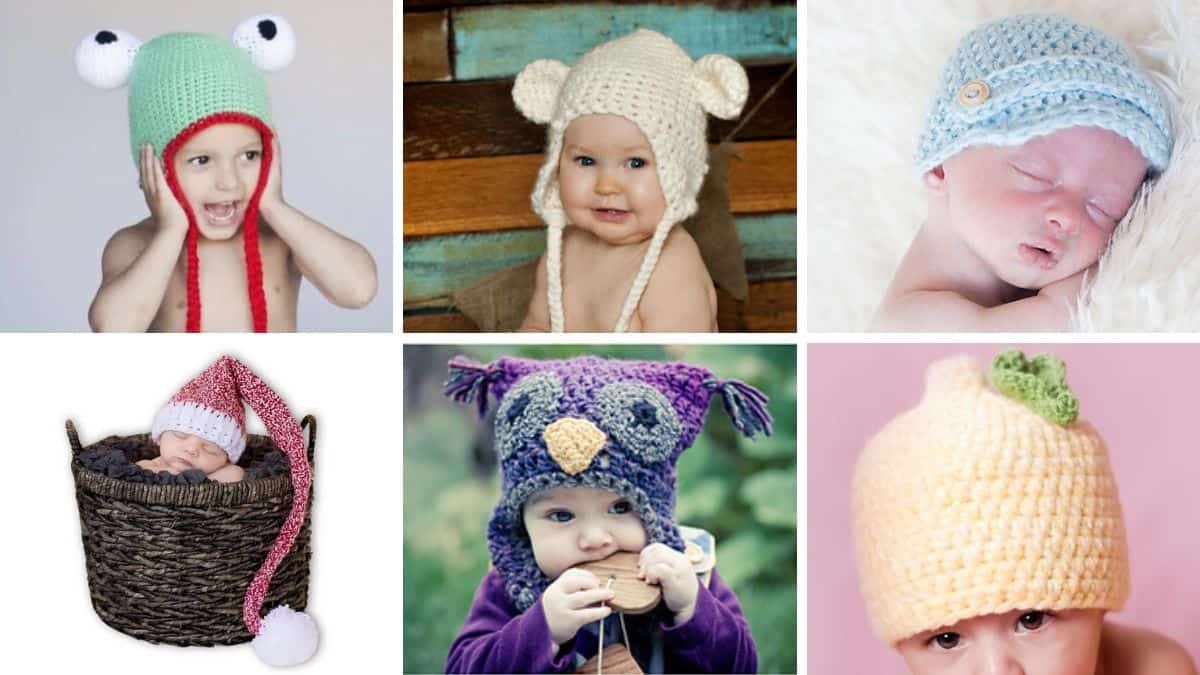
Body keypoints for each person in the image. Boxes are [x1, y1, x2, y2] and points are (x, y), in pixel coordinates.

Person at [852, 350, 1197, 674]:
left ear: (1100, 601)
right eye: (947, 639)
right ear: (901, 646)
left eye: (1032, 620)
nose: (996, 669)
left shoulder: (1155, 666)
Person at [442, 355, 771, 672]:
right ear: (521, 524)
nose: (595, 539)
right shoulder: (511, 584)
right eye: (561, 515)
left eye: (620, 507)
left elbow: (742, 666)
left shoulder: (689, 573)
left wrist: (690, 609)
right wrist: (543, 630)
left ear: (655, 512)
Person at [872, 13, 1173, 331]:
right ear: (941, 166)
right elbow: (1063, 314)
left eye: (1104, 208)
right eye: (1035, 175)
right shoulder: (907, 323)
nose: (1069, 218)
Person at [76, 14, 377, 332]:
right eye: (202, 160)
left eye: (249, 155)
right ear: (152, 168)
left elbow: (358, 290)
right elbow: (113, 328)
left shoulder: (279, 238)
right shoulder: (136, 244)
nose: (229, 181)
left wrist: (274, 206)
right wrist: (170, 231)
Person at [514, 29, 749, 332]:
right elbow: (536, 330)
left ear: (676, 172)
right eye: (586, 161)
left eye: (636, 163)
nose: (606, 186)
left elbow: (673, 363)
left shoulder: (672, 267)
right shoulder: (562, 251)